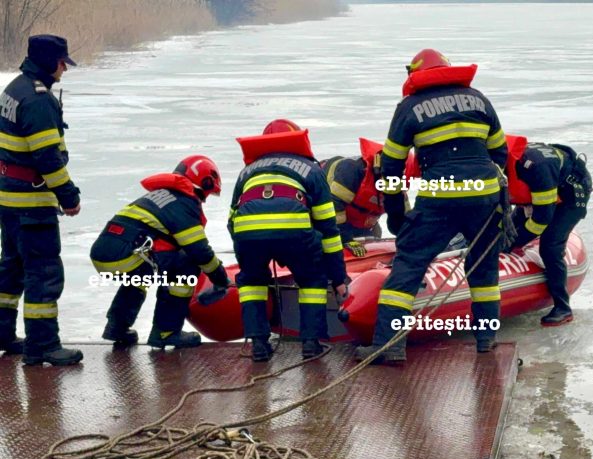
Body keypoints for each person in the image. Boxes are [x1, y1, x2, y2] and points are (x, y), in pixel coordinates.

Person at [355, 49, 508, 364]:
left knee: (408, 267)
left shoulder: (409, 108)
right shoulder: (479, 99)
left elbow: (392, 168)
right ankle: (486, 340)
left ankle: (390, 346)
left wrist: (397, 216)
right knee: (484, 270)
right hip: (485, 196)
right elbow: (500, 154)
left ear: (415, 74)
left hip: (440, 197)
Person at [230, 119, 348, 362]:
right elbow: (328, 228)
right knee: (312, 279)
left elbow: (232, 219)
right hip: (295, 231)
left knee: (252, 282)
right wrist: (337, 277)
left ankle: (259, 344)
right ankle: (311, 343)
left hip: (247, 232)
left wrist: (251, 249)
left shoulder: (247, 172)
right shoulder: (312, 169)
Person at [0, 35, 82, 365]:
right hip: (32, 204)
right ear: (50, 61)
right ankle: (43, 344)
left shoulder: (13, 90)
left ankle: (4, 333)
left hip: (8, 199)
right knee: (44, 273)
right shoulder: (38, 100)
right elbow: (48, 157)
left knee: (12, 270)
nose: (65, 67)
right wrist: (69, 196)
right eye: (62, 61)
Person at [90, 155, 230, 348]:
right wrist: (221, 279)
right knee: (187, 263)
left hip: (103, 254)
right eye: (206, 193)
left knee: (140, 277)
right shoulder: (184, 203)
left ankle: (116, 327)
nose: (204, 200)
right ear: (204, 182)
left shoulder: (157, 197)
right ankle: (167, 331)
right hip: (128, 256)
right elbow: (200, 252)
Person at [503, 135, 592, 326]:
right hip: (539, 193)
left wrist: (515, 241)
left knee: (550, 247)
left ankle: (562, 308)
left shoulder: (535, 167)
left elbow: (541, 219)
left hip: (569, 197)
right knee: (509, 231)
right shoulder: (497, 164)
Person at [319, 138, 414, 256]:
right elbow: (334, 206)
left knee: (372, 240)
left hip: (363, 223)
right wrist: (346, 239)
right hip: (328, 220)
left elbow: (405, 220)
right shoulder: (352, 170)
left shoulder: (399, 186)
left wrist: (415, 240)